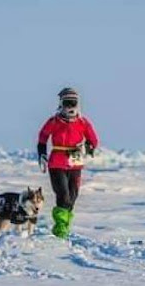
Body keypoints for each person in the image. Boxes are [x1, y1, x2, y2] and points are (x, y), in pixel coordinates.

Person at [37, 87, 99, 239]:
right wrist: (42, 154)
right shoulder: (54, 121)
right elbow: (42, 137)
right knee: (63, 195)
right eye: (67, 103)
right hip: (57, 162)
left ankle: (64, 224)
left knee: (73, 196)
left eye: (73, 103)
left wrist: (87, 147)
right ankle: (60, 228)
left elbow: (93, 140)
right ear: (61, 104)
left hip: (75, 161)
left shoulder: (83, 122)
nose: (70, 107)